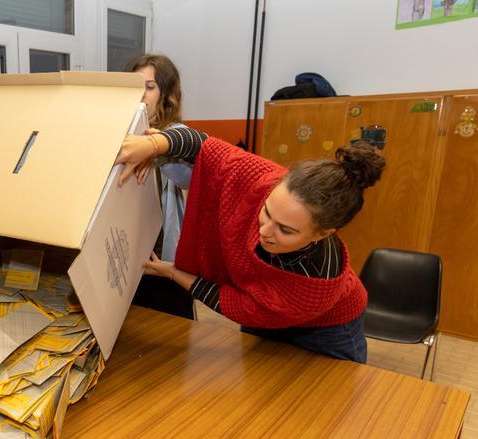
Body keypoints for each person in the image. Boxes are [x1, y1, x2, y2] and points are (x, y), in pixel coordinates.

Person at [116, 127, 386, 363]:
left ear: (323, 233)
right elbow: (205, 147)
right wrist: (153, 145)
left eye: (285, 229)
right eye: (267, 212)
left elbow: (237, 305)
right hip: (268, 315)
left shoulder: (316, 281)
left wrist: (174, 273)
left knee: (320, 404)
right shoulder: (265, 180)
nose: (264, 231)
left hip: (327, 331)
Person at [125, 54, 197, 319]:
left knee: (171, 336)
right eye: (135, 86)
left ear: (166, 94)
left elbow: (186, 176)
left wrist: (155, 151)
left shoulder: (173, 134)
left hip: (163, 263)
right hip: (126, 259)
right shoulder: (118, 133)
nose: (141, 94)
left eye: (149, 86)